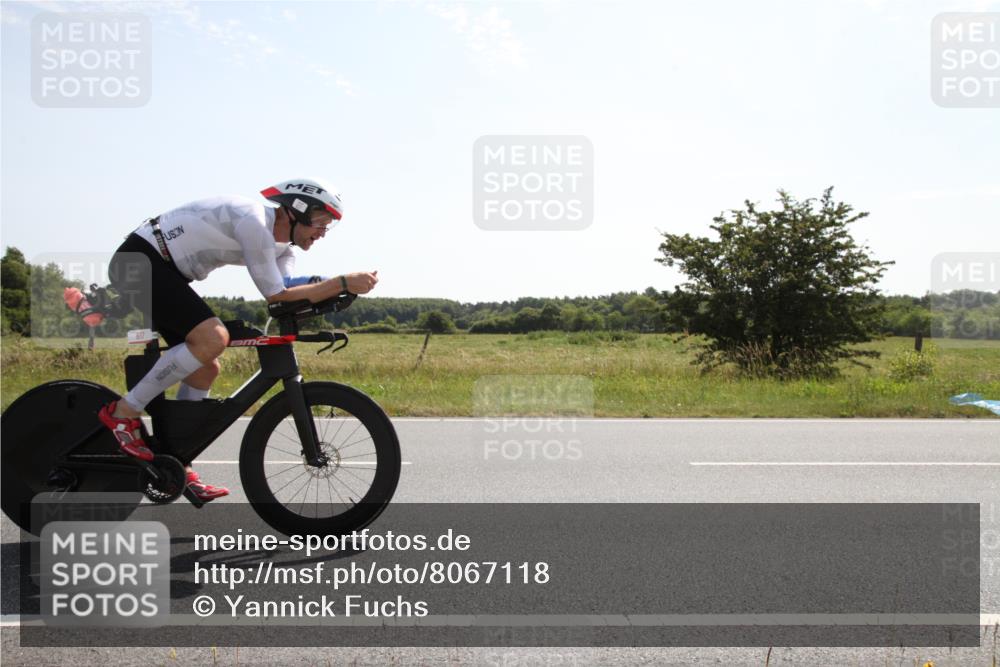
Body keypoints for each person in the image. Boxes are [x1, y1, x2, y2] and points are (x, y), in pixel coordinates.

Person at [99, 178, 379, 501]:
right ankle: (123, 412)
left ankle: (176, 458)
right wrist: (342, 281)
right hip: (140, 260)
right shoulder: (255, 224)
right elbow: (277, 294)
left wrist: (336, 287)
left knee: (205, 368)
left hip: (166, 271)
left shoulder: (283, 249)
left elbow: (286, 292)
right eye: (320, 223)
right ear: (297, 211)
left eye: (327, 227)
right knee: (212, 338)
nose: (321, 233)